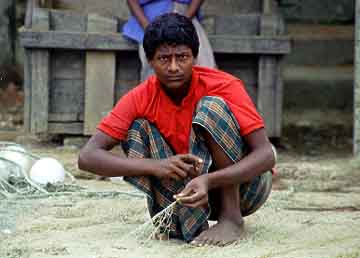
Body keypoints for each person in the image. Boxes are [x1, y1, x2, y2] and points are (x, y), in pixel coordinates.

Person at [78, 13, 276, 246]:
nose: (174, 67)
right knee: (136, 128)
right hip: (188, 194)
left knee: (212, 107)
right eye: (164, 59)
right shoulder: (141, 96)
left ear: (195, 57)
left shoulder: (223, 85)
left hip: (245, 190)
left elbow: (266, 155)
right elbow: (87, 156)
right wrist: (155, 166)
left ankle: (231, 219)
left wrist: (210, 180)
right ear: (150, 61)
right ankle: (176, 222)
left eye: (182, 57)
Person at [123, 0, 216, 81]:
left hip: (185, 14)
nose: (173, 68)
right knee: (153, 73)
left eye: (182, 57)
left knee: (205, 69)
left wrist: (184, 22)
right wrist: (149, 29)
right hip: (149, 18)